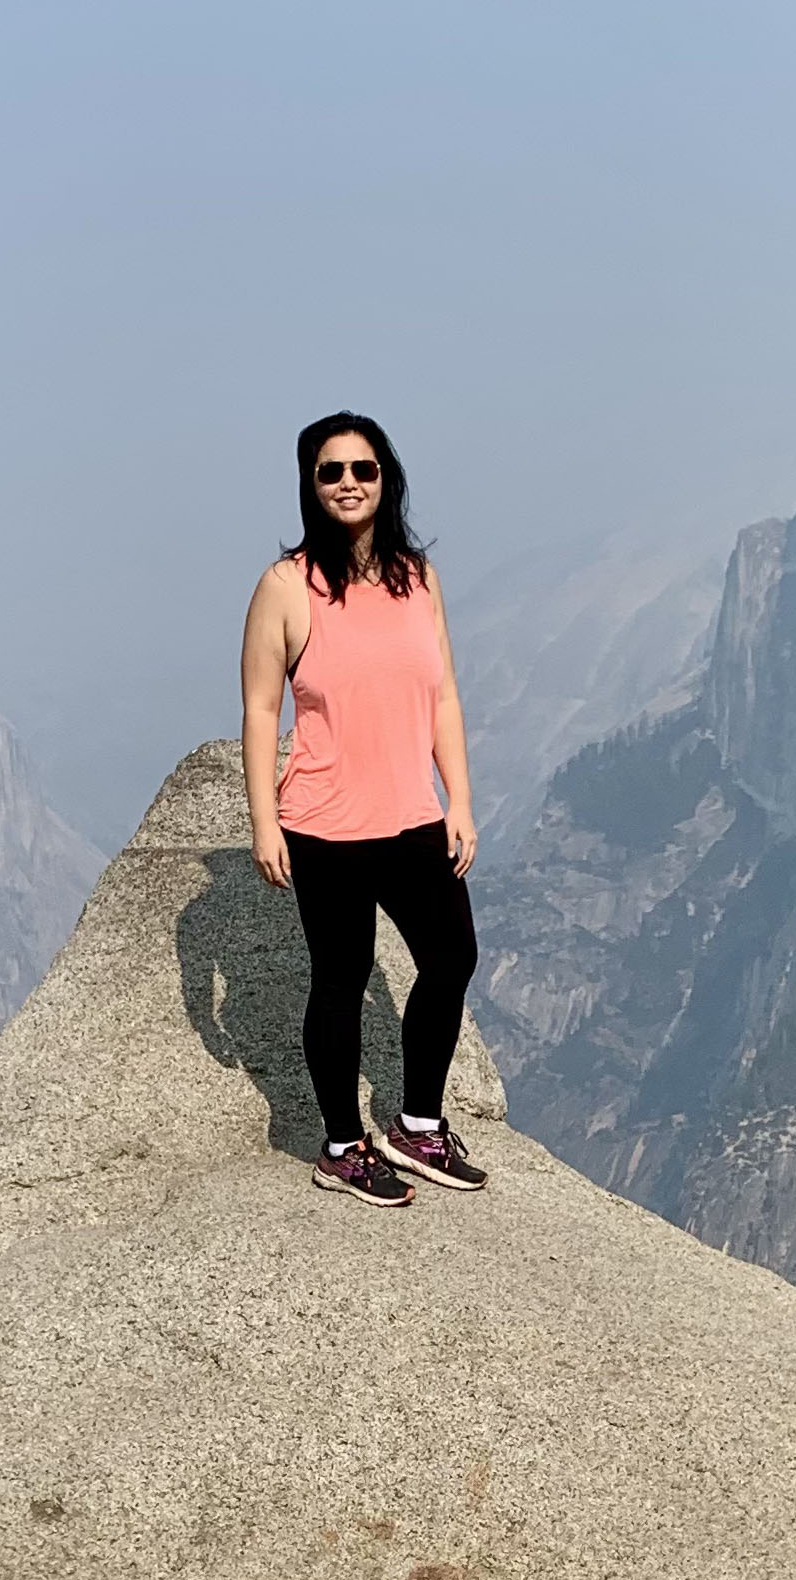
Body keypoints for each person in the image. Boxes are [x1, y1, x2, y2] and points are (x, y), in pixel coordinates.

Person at [239, 412, 488, 1207]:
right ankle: (342, 1145)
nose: (349, 482)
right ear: (310, 484)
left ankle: (418, 1123)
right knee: (341, 980)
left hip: (413, 817)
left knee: (452, 957)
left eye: (364, 469)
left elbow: (443, 694)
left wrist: (460, 800)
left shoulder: (417, 577)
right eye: (331, 470)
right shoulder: (286, 586)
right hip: (325, 826)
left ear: (387, 479)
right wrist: (263, 821)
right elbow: (258, 709)